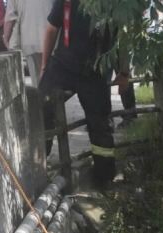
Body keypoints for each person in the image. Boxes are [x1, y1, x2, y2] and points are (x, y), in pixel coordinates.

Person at [39, 0, 115, 188]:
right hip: (66, 67)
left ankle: (104, 178)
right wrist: (45, 67)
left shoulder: (111, 4)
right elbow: (51, 30)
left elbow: (119, 39)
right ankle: (39, 166)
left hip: (92, 72)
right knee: (40, 111)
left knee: (100, 126)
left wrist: (124, 73)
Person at [4, 0, 52, 86]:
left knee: (37, 82)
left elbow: (10, 17)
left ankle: (41, 97)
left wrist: (6, 37)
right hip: (52, 40)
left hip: (30, 40)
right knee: (53, 81)